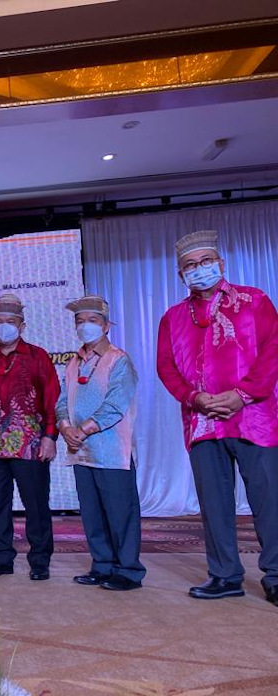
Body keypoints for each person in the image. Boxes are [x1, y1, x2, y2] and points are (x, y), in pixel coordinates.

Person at [157, 229, 278, 605]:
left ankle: (276, 575)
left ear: (221, 264)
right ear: (181, 274)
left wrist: (242, 395)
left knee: (269, 500)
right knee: (214, 503)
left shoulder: (254, 301)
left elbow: (272, 351)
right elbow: (166, 368)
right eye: (190, 266)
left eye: (206, 262)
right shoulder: (173, 317)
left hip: (255, 418)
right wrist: (195, 398)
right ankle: (225, 575)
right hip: (203, 421)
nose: (199, 269)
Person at [0, 293, 59, 581]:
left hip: (30, 444)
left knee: (36, 505)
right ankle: (1, 558)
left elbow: (52, 398)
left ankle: (40, 560)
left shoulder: (38, 356)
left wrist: (50, 436)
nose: (3, 326)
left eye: (10, 321)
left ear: (22, 325)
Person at [56, 295, 145, 591]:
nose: (85, 326)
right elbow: (61, 401)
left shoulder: (119, 360)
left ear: (106, 326)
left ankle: (128, 570)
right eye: (80, 321)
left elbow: (116, 405)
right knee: (92, 512)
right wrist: (65, 427)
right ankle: (102, 564)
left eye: (92, 320)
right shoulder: (73, 362)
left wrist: (83, 430)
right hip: (81, 451)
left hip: (111, 451)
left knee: (120, 512)